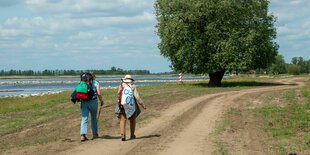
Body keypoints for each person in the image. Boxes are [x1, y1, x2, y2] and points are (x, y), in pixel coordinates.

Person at [116, 75, 146, 141]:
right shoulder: (133, 86)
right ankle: (132, 135)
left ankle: (123, 135)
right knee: (132, 119)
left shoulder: (121, 85)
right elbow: (137, 97)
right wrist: (143, 105)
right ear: (131, 80)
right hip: (131, 104)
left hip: (122, 104)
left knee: (122, 119)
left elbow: (118, 94)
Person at [79, 72, 104, 142]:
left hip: (83, 102)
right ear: (93, 77)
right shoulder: (96, 83)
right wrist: (101, 100)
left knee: (84, 118)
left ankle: (82, 135)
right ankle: (95, 134)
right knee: (93, 117)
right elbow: (99, 93)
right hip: (93, 101)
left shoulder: (83, 82)